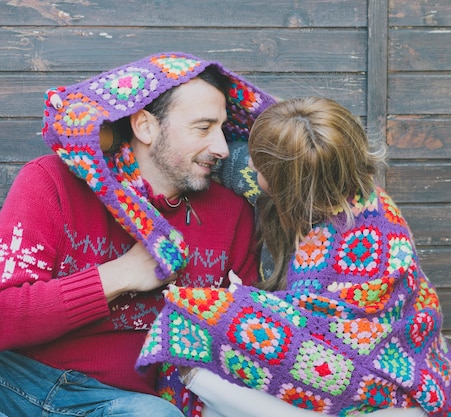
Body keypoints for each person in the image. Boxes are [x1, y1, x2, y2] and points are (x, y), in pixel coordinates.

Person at [136, 97, 451, 417]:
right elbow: (227, 162)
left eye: (259, 166)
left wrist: (240, 302)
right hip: (398, 378)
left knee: (188, 339)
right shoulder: (341, 184)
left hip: (385, 390)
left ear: (284, 185)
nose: (247, 162)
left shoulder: (348, 239)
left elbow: (318, 335)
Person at [0, 52, 275, 417]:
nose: (222, 148)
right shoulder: (52, 181)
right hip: (18, 383)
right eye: (203, 127)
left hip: (123, 405)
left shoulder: (232, 214)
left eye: (223, 129)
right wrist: (121, 274)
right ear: (145, 126)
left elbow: (249, 339)